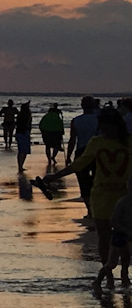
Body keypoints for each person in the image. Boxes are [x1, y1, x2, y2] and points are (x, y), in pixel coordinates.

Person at [41, 107, 131, 289]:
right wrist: (55, 176)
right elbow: (79, 164)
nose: (105, 131)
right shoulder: (96, 142)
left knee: (124, 236)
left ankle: (124, 273)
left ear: (117, 126)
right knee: (104, 236)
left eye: (108, 128)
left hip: (124, 197)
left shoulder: (129, 143)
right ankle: (108, 274)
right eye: (103, 128)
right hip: (100, 195)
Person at [68, 97, 101, 207]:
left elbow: (72, 139)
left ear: (82, 106)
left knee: (83, 181)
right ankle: (96, 205)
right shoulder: (99, 119)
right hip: (97, 151)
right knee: (97, 180)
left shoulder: (76, 120)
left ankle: (89, 208)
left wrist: (68, 155)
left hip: (81, 151)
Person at [39, 103, 65, 172]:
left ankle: (49, 159)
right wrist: (62, 131)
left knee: (48, 146)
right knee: (56, 146)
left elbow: (41, 124)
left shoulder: (46, 116)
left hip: (46, 132)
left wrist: (42, 131)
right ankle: (53, 157)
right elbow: (61, 124)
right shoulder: (57, 117)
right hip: (56, 132)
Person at [15, 101, 33, 172]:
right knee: (24, 151)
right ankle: (20, 166)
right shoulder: (28, 116)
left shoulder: (19, 115)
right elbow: (28, 125)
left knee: (20, 151)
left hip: (18, 133)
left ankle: (20, 166)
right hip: (24, 133)